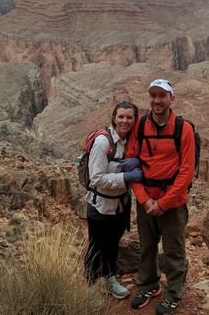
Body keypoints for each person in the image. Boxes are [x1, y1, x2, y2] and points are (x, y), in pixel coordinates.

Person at [128, 79, 196, 315]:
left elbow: (187, 170)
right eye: (153, 95)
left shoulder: (183, 128)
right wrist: (145, 200)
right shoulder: (140, 126)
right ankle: (148, 286)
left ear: (171, 99)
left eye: (162, 96)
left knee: (174, 251)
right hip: (146, 201)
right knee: (146, 247)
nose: (157, 100)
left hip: (173, 203)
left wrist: (163, 203)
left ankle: (173, 293)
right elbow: (132, 165)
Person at [84, 100, 143, 299]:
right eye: (121, 117)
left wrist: (138, 162)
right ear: (114, 118)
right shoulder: (103, 142)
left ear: (135, 120)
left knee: (112, 245)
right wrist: (126, 177)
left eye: (129, 117)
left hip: (121, 205)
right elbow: (96, 178)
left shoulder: (131, 141)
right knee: (96, 246)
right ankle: (90, 286)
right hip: (100, 206)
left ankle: (109, 278)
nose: (125, 121)